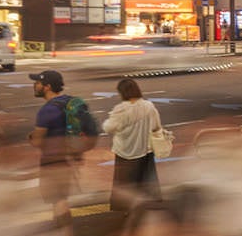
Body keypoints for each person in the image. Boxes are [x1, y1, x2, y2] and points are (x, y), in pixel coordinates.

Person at [28, 69, 95, 222]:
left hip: (52, 162)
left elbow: (37, 141)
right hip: (70, 159)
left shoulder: (47, 110)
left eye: (38, 83)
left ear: (47, 87)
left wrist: (31, 137)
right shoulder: (71, 102)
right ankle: (63, 234)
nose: (35, 85)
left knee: (58, 201)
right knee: (61, 198)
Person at [102, 77, 163, 213]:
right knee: (146, 181)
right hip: (145, 151)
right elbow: (156, 126)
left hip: (125, 152)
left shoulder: (121, 109)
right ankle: (148, 209)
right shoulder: (148, 106)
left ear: (122, 93)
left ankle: (128, 210)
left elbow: (108, 127)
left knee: (126, 184)